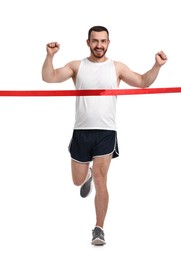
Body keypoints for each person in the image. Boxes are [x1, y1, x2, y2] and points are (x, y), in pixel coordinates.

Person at [42, 25, 167, 246]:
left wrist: (156, 66)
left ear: (108, 43)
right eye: (95, 41)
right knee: (77, 180)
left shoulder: (116, 68)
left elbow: (143, 82)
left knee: (102, 179)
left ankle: (99, 229)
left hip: (106, 132)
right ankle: (86, 176)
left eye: (103, 41)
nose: (99, 45)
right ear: (88, 42)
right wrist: (49, 56)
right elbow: (49, 78)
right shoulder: (77, 66)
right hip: (81, 131)